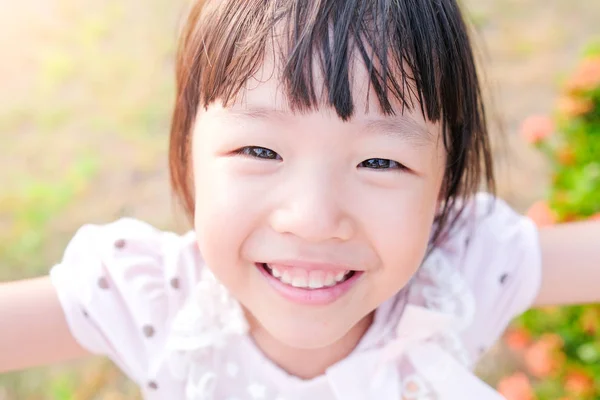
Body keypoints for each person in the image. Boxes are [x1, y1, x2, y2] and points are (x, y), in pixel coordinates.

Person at [1, 0, 598, 399]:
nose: (313, 220)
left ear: (443, 187)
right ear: (187, 153)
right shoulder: (156, 302)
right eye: (260, 151)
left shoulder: (458, 272)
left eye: (381, 161)